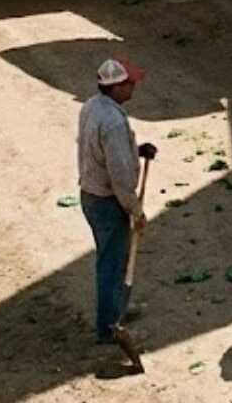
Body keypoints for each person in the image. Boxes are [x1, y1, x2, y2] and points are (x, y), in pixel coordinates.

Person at [77, 57, 156, 346]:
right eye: (129, 83)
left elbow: (105, 151)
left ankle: (116, 311)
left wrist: (136, 150)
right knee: (112, 265)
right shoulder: (112, 121)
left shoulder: (91, 106)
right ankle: (109, 328)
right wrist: (136, 211)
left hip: (90, 195)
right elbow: (120, 177)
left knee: (113, 260)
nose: (134, 86)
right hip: (108, 203)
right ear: (116, 87)